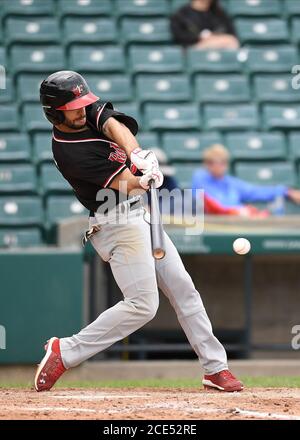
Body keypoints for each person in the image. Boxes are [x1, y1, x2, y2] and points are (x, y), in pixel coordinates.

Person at [34, 71, 243, 393]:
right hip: (115, 223)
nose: (81, 111)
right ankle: (67, 350)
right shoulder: (70, 152)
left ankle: (215, 369)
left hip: (140, 216)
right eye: (72, 108)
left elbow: (112, 125)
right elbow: (124, 184)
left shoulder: (83, 111)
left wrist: (137, 154)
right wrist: (143, 179)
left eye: (81, 104)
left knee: (184, 289)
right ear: (53, 111)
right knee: (143, 305)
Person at [192, 144, 300, 216]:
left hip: (238, 224)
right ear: (206, 164)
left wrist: (287, 191)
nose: (218, 166)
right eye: (212, 162)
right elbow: (208, 205)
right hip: (214, 226)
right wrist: (237, 211)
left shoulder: (231, 182)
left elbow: (256, 191)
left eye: (222, 162)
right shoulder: (199, 178)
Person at [170, 0, 239, 49]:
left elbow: (231, 33)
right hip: (194, 49)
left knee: (231, 41)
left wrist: (213, 37)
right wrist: (199, 38)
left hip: (220, 46)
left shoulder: (219, 13)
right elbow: (179, 36)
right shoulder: (182, 14)